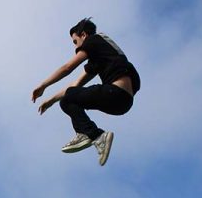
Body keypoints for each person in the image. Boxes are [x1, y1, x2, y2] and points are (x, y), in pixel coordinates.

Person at [32, 18, 140, 166]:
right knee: (68, 98)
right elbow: (75, 85)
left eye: (75, 42)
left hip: (115, 93)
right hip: (124, 103)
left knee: (68, 99)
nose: (76, 48)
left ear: (83, 34)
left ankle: (94, 135)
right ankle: (89, 134)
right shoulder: (103, 54)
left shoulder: (93, 40)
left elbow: (67, 68)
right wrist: (50, 101)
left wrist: (43, 85)